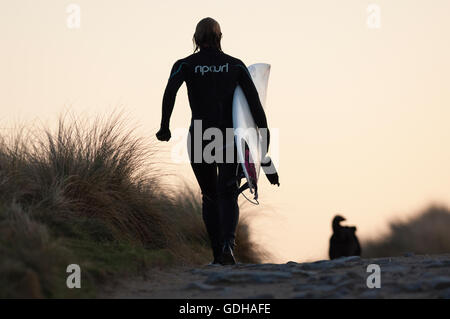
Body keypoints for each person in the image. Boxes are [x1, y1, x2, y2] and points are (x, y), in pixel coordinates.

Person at [156, 17, 278, 265]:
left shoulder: (184, 65)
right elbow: (256, 110)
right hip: (229, 138)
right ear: (220, 38)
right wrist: (264, 156)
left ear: (196, 39)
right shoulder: (235, 66)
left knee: (209, 195)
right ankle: (227, 247)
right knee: (228, 193)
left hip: (200, 136)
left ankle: (216, 255)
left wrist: (164, 126)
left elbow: (170, 92)